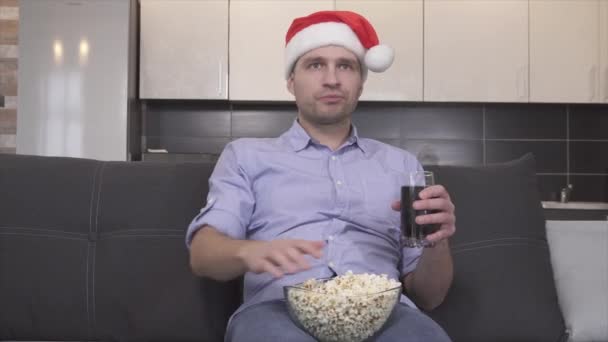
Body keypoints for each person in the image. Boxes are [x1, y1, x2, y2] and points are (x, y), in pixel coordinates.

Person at [187, 10, 456, 342]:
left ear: (361, 82)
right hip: (277, 312)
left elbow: (430, 296)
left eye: (345, 65)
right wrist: (248, 252)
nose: (331, 79)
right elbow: (202, 254)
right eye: (315, 65)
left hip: (384, 314)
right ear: (290, 81)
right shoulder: (245, 156)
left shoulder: (403, 167)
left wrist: (437, 242)